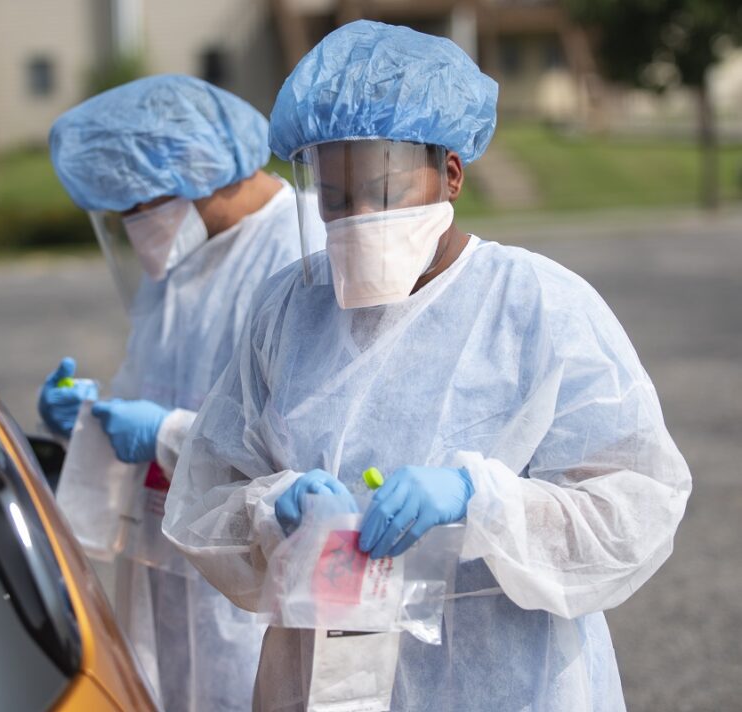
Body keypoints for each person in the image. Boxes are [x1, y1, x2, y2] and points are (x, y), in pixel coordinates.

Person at [162, 21, 692, 712]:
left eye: (382, 191)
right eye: (336, 198)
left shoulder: (537, 306)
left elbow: (637, 506)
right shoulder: (289, 310)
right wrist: (273, 508)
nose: (356, 219)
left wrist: (482, 501)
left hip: (506, 681)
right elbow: (208, 494)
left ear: (450, 172)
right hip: (323, 681)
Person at [42, 74, 314, 712]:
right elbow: (152, 384)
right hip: (160, 576)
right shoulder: (183, 256)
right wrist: (89, 418)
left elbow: (299, 454)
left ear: (200, 171)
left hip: (247, 591)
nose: (135, 226)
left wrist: (164, 435)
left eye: (139, 206)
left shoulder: (300, 252)